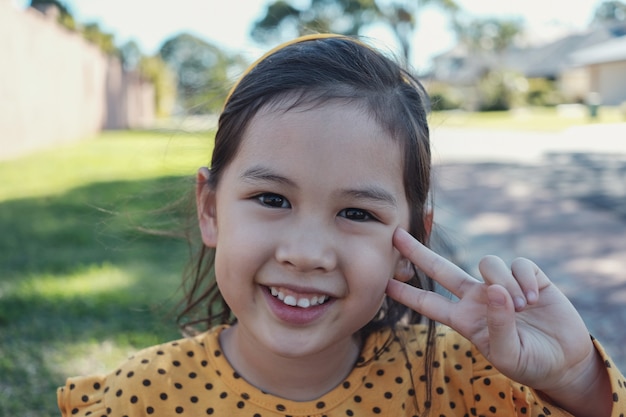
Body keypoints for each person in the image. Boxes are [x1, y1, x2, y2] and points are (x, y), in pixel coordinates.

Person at [57, 34, 626, 417]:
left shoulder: (463, 381)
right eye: (271, 198)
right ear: (210, 209)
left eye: (357, 213)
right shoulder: (143, 397)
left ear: (411, 240)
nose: (307, 254)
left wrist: (576, 380)